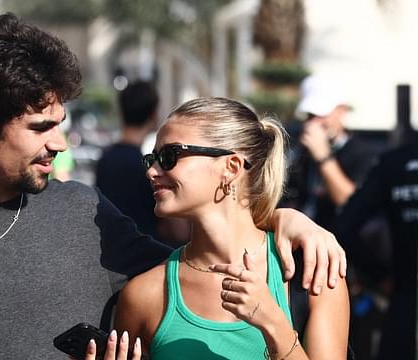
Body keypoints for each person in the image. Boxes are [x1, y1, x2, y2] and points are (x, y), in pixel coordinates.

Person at [0, 14, 345, 360]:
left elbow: (207, 254)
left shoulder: (82, 213)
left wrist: (285, 219)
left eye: (60, 124)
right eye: (41, 128)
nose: (60, 144)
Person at [109, 97, 349, 359]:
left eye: (169, 157)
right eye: (151, 159)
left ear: (231, 167)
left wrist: (274, 325)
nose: (152, 172)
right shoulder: (145, 294)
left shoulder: (312, 273)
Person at [336, 140, 418, 359]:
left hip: (406, 303)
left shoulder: (394, 161)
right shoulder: (394, 162)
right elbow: (345, 229)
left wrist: (379, 276)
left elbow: (344, 227)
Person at [96, 80, 188, 247]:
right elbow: (177, 230)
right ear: (153, 114)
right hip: (148, 254)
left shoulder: (105, 159)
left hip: (111, 251)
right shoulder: (150, 168)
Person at [287, 74, 377, 230]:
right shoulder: (299, 153)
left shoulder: (362, 153)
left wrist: (323, 157)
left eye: (321, 115)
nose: (314, 123)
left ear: (342, 111)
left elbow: (351, 202)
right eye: (310, 116)